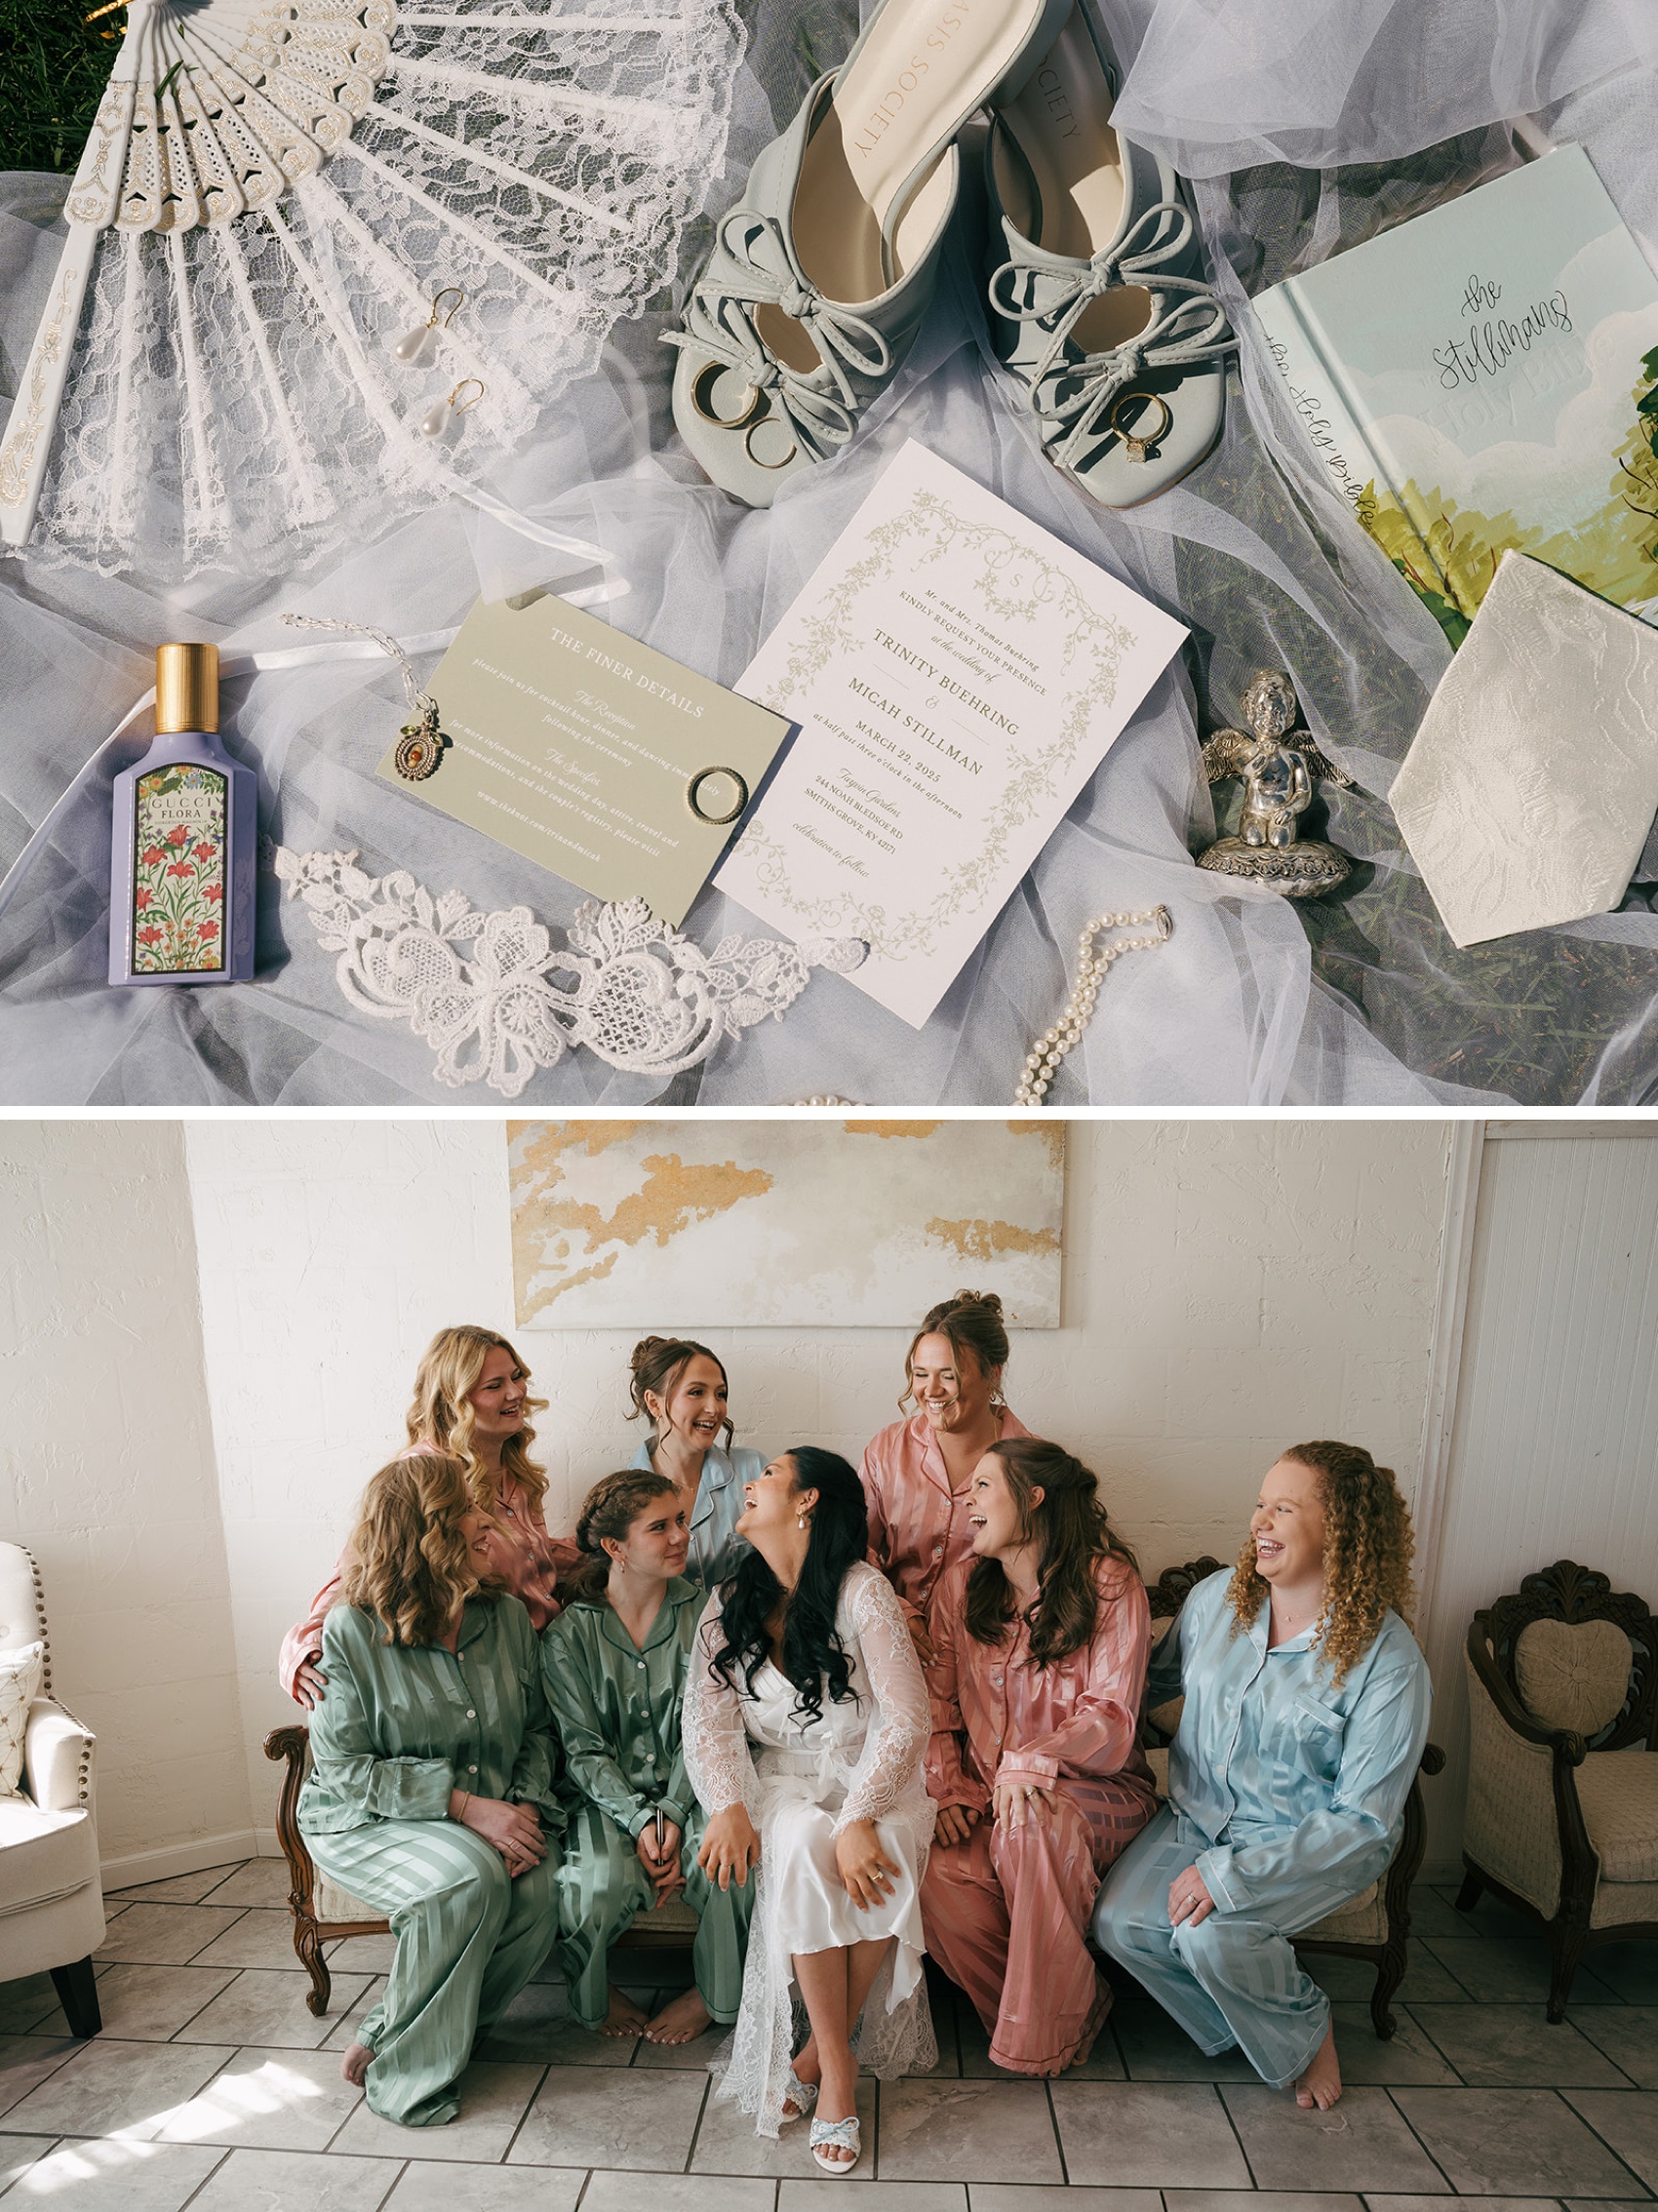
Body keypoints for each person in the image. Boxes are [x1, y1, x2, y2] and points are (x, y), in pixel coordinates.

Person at [1092, 1441, 1432, 2112]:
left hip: (1309, 1843)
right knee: (1119, 1925)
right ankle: (1258, 2031)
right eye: (1258, 1505)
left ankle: (1307, 2029)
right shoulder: (1218, 1599)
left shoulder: (1389, 1662)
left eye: (1283, 1508)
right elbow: (1138, 1683)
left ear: (1339, 1531)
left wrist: (1229, 1876)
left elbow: (1364, 1824)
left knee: (1211, 1932)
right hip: (1198, 1814)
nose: (1259, 1523)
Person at [684, 1447, 934, 2173]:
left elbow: (907, 1720)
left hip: (874, 1778)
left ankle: (816, 2061)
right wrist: (728, 1804)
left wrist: (858, 1817)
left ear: (808, 1503)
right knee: (797, 1846)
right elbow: (707, 1721)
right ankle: (838, 2064)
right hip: (781, 1785)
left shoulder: (863, 1591)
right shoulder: (729, 1596)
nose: (752, 1482)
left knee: (883, 1847)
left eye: (772, 1475)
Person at [296, 1449, 563, 2126]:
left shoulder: (502, 1619)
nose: (485, 1522)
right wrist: (470, 1810)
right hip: (362, 1817)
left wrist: (522, 1811)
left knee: (539, 1888)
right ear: (426, 1530)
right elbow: (347, 1772)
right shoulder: (352, 1630)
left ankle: (396, 2029)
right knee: (465, 1879)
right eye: (466, 1510)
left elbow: (537, 1728)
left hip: (481, 1815)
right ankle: (406, 2079)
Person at [922, 1437, 1156, 2074]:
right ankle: (1066, 2011)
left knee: (1031, 1822)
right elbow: (935, 1707)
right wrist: (946, 1790)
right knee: (935, 1873)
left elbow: (1111, 1719)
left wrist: (1033, 1760)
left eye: (983, 1486)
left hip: (1097, 1794)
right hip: (988, 1792)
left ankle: (1037, 2045)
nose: (967, 1501)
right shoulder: (960, 1587)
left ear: (1033, 1498)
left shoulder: (1109, 1583)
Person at [541, 1467, 756, 2046]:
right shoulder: (569, 1636)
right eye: (659, 1527)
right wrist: (641, 1820)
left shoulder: (708, 1615)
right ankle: (593, 1994)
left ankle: (713, 1996)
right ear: (615, 1547)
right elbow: (581, 1749)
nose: (681, 1536)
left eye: (681, 1521)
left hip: (698, 1789)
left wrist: (673, 1814)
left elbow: (708, 1730)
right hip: (603, 1803)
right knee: (591, 1885)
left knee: (730, 1866)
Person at [281, 1324, 579, 1707]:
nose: (516, 1392)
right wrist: (300, 1651)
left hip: (538, 1664)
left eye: (517, 1376)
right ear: (452, 1400)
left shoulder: (511, 1468)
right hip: (482, 1682)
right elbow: (355, 1577)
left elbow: (528, 1557)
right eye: (494, 1385)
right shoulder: (421, 1475)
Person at [858, 1291, 1032, 1643]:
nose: (930, 1390)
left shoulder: (1031, 1464)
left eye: (948, 1375)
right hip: (887, 1636)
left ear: (993, 1374)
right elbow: (852, 1544)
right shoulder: (887, 1449)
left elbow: (1040, 1578)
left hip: (987, 1645)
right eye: (921, 1374)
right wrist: (898, 1613)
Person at [625, 1335, 762, 1589]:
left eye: (720, 1394)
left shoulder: (755, 1471)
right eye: (696, 1392)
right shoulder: (624, 1497)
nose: (714, 1408)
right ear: (654, 1403)